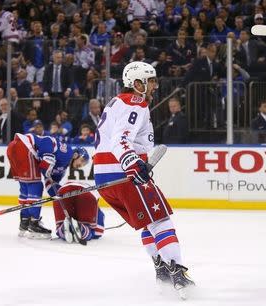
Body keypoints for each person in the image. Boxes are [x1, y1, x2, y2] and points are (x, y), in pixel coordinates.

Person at [93, 61, 194, 298]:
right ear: (137, 84)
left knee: (149, 222)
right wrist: (131, 163)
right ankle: (177, 274)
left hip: (104, 176)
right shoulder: (135, 102)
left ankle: (162, 273)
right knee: (160, 219)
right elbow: (120, 140)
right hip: (124, 172)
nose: (155, 85)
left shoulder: (118, 102)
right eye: (151, 81)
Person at [6, 133, 89, 239]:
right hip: (24, 145)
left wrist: (61, 195)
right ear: (76, 155)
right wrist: (47, 157)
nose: (81, 165)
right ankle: (34, 223)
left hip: (14, 148)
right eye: (82, 160)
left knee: (26, 186)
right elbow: (48, 140)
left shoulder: (62, 168)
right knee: (35, 186)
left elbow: (50, 184)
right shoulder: (67, 152)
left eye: (84, 164)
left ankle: (25, 221)